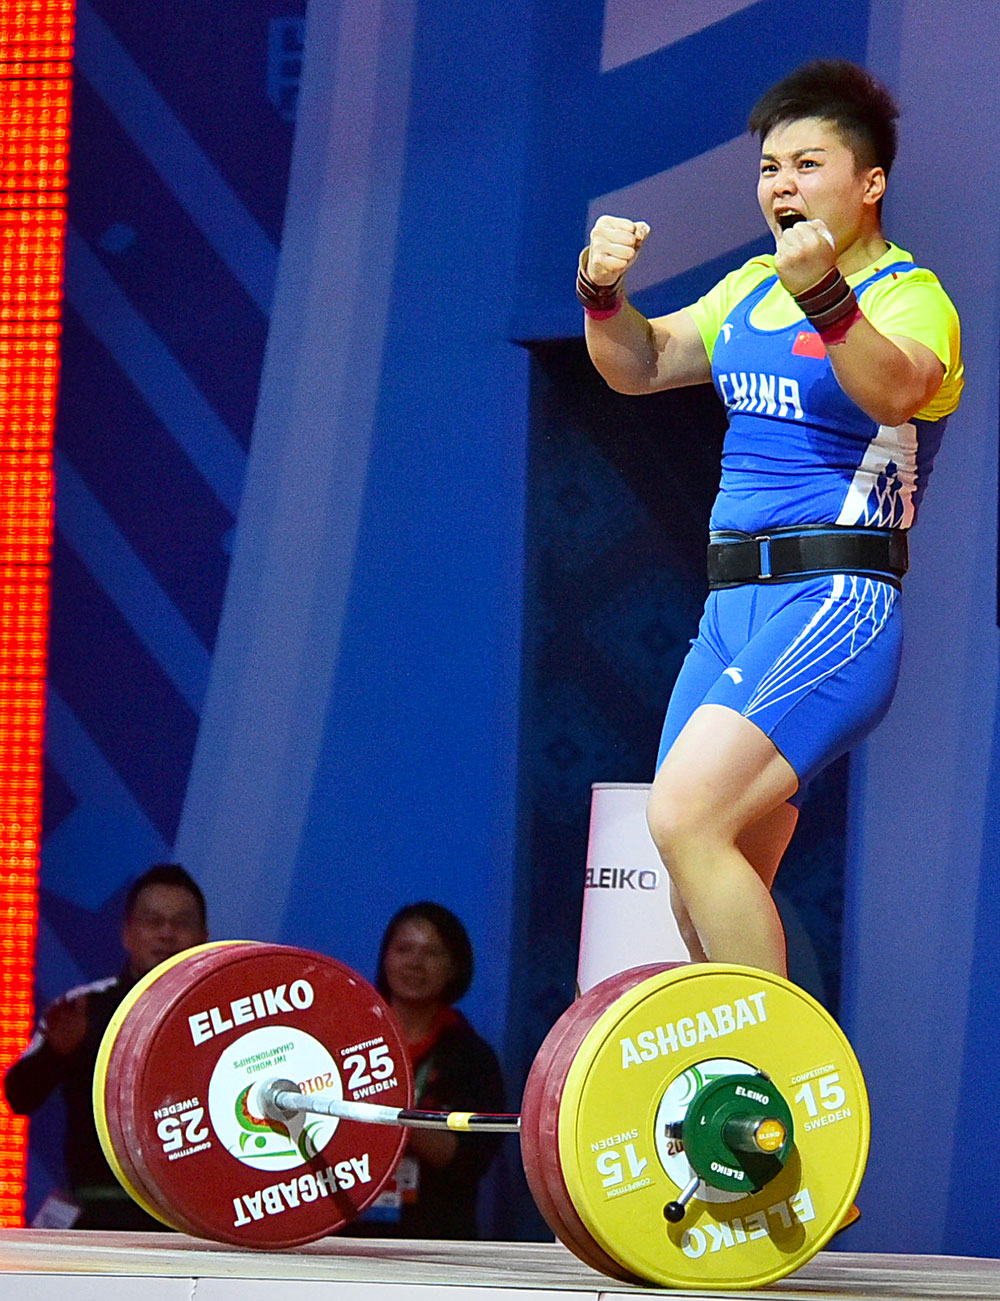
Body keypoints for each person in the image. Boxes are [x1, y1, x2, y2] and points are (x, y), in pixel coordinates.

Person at [577, 60, 963, 978]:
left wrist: (826, 295)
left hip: (837, 600)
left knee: (683, 815)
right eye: (769, 169)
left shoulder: (914, 297)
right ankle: (755, 1096)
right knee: (690, 868)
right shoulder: (748, 287)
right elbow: (642, 360)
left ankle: (771, 1053)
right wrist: (600, 292)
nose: (782, 185)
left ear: (869, 184)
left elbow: (897, 386)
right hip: (731, 612)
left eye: (808, 163)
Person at [4, 863, 208, 1229]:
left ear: (204, 936)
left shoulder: (225, 1013)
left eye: (181, 922)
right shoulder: (82, 1007)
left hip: (193, 1220)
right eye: (152, 920)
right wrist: (56, 1053)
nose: (166, 933)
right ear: (127, 933)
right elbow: (19, 1095)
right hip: (100, 1219)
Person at [347, 902, 506, 1239]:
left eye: (431, 952)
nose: (415, 963)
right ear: (385, 958)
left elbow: (469, 1161)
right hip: (344, 1232)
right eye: (404, 949)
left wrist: (391, 1110)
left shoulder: (472, 1057)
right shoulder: (346, 1042)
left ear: (454, 967)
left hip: (435, 1238)